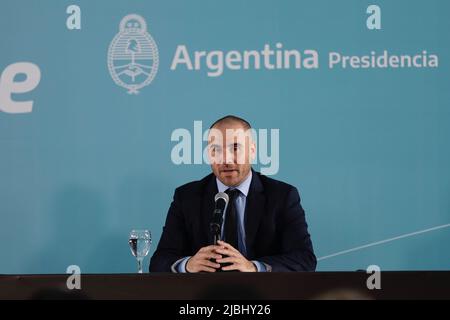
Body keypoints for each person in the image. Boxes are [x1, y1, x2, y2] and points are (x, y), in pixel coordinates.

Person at [149, 115, 316, 272]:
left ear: (252, 151)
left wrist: (253, 267)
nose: (226, 160)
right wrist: (187, 265)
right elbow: (160, 261)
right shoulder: (187, 197)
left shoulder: (282, 196)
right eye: (216, 150)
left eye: (235, 148)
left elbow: (304, 259)